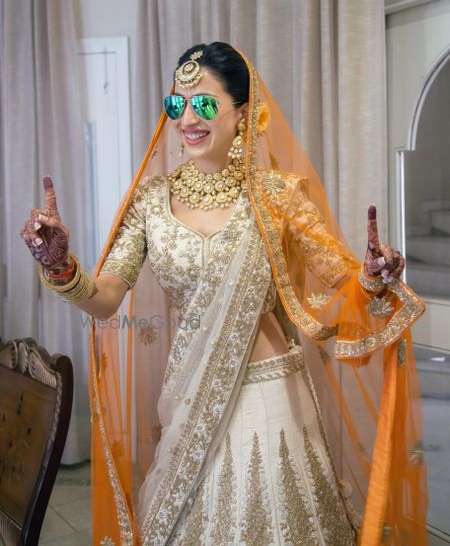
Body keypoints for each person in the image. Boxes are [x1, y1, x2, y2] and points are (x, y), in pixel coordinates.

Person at [21, 42, 428, 545]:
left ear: (243, 113)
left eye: (205, 104)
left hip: (270, 395)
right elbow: (105, 298)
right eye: (177, 104)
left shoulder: (278, 195)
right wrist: (59, 265)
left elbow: (344, 281)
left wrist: (372, 275)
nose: (187, 117)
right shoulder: (152, 201)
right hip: (191, 395)